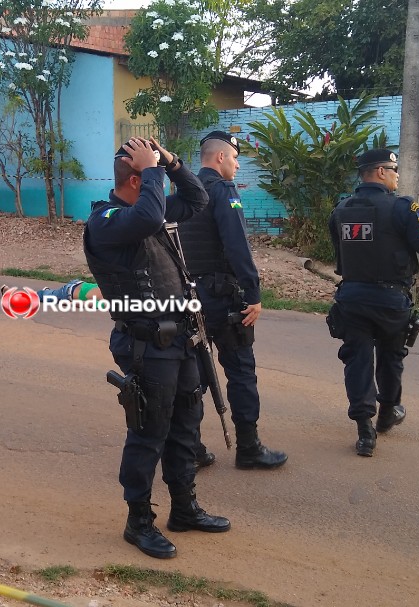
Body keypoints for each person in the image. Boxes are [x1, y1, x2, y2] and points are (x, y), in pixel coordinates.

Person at [84, 137, 228, 560]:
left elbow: (197, 198)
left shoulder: (150, 210)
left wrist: (170, 162)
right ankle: (138, 521)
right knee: (149, 433)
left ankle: (184, 509)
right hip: (147, 344)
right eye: (152, 179)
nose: (161, 188)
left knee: (186, 424)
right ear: (135, 180)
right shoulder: (107, 221)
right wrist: (152, 172)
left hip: (182, 339)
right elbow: (148, 214)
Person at [328, 149, 419, 457]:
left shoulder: (341, 210)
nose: (396, 176)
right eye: (393, 170)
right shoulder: (403, 207)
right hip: (390, 300)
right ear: (380, 172)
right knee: (391, 357)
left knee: (357, 361)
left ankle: (365, 432)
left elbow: (340, 257)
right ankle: (387, 412)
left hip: (351, 297)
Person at [178, 130, 287, 471]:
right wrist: (253, 294)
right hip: (221, 298)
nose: (238, 166)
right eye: (236, 159)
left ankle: (190, 447)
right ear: (221, 157)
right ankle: (249, 448)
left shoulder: (182, 191)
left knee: (191, 374)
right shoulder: (222, 191)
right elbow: (238, 247)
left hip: (187, 296)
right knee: (240, 370)